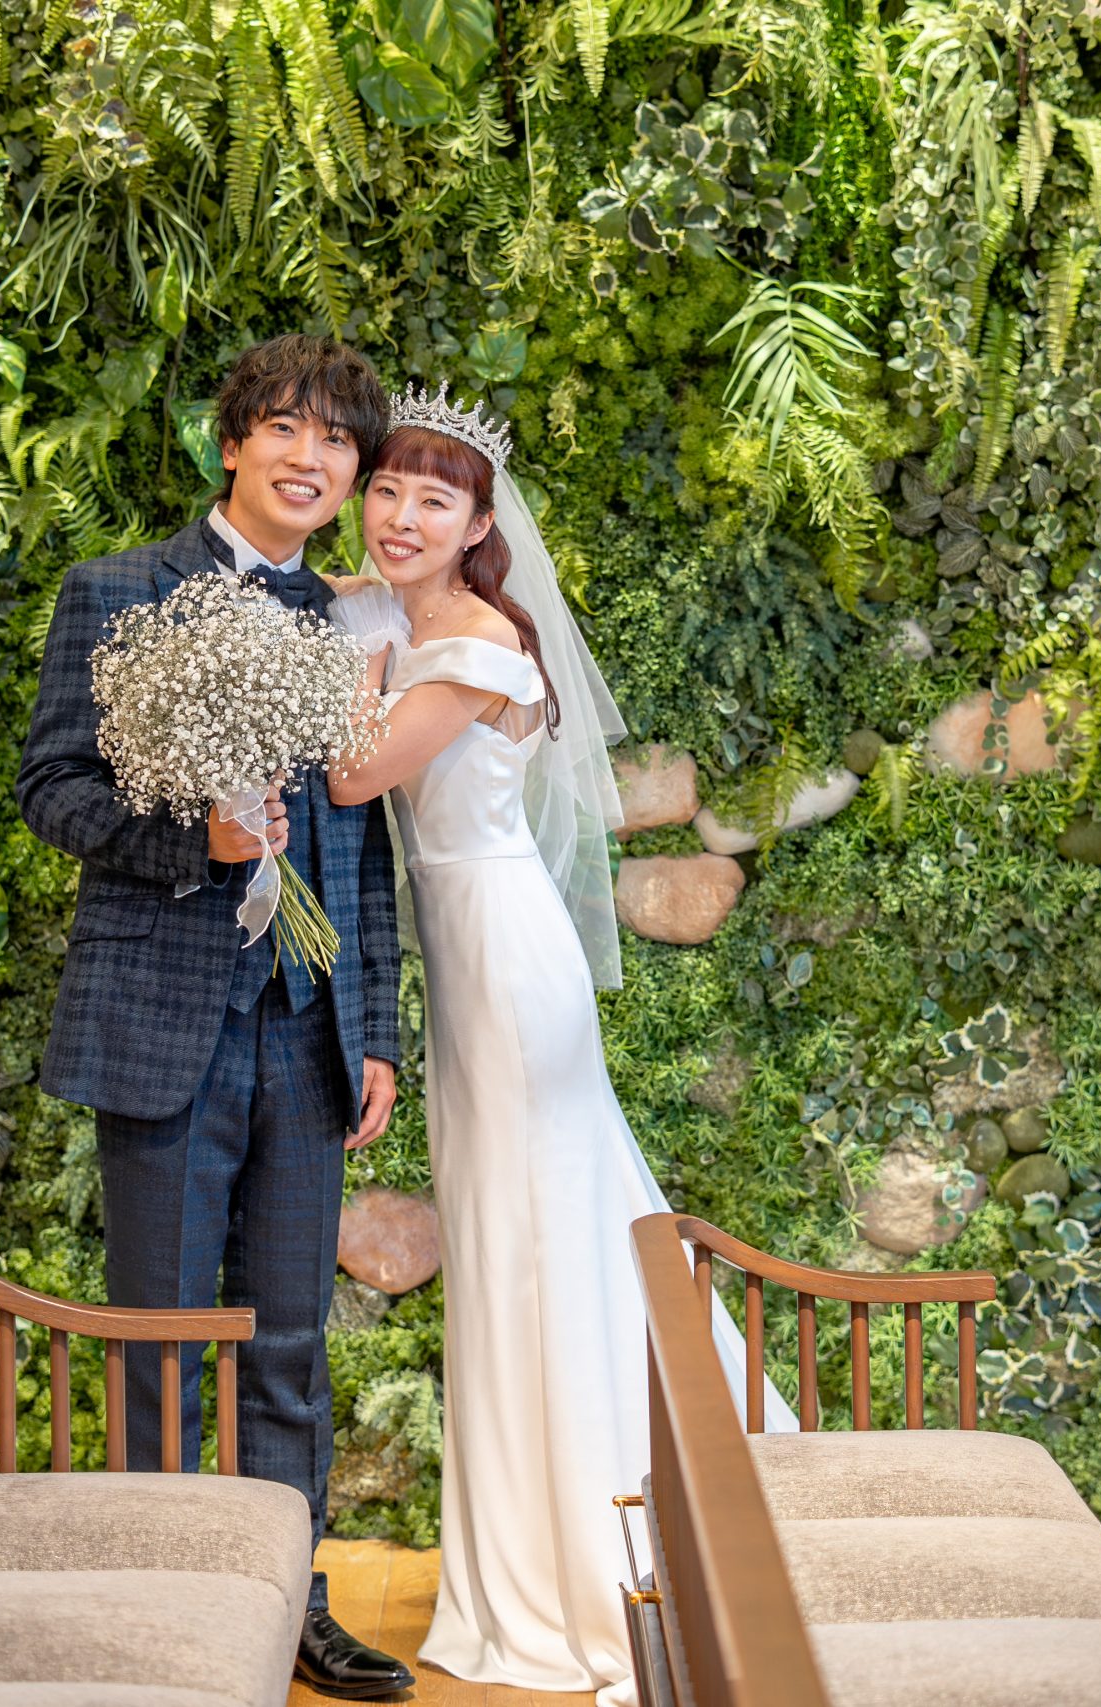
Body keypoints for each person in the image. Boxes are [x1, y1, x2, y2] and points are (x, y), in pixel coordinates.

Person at [327, 385, 793, 1705]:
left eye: (434, 500)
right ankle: (539, 1533)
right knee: (510, 1236)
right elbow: (355, 634)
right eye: (388, 490)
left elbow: (352, 775)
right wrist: (351, 613)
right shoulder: (416, 622)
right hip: (471, 961)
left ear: (482, 527)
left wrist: (344, 646)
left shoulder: (477, 648)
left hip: (506, 962)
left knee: (538, 1236)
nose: (401, 516)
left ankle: (594, 1552)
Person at [16, 334, 416, 1701]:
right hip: (163, 1023)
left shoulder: (357, 624)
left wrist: (375, 1030)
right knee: (163, 1336)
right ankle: (161, 1616)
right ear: (233, 442)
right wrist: (200, 840)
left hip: (307, 1033)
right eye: (286, 429)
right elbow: (53, 789)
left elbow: (363, 849)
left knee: (292, 1343)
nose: (311, 458)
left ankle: (289, 1602)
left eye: (338, 440)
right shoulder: (118, 590)